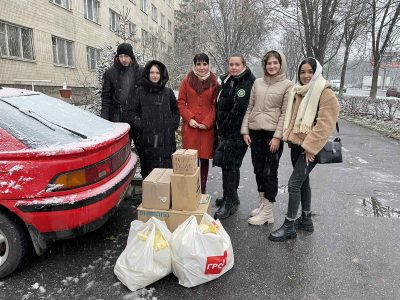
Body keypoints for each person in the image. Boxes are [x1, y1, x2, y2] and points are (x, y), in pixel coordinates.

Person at [269, 57, 340, 241]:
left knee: (293, 184)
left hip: (310, 149)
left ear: (317, 72)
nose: (306, 75)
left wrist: (311, 148)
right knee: (303, 182)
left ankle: (290, 225)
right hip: (297, 145)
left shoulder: (325, 92)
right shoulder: (298, 90)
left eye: (310, 71)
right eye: (303, 72)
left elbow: (325, 124)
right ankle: (306, 220)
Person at [241, 50, 293, 225]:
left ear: (281, 64)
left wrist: (278, 137)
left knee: (270, 172)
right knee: (258, 169)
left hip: (272, 135)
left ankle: (268, 212)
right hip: (255, 133)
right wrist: (245, 131)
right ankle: (262, 205)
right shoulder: (257, 83)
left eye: (275, 63)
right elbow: (250, 107)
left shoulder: (287, 85)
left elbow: (285, 113)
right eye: (269, 63)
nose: (272, 66)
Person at [213, 54, 256, 219]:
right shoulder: (231, 79)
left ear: (243, 65)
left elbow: (238, 110)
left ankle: (228, 202)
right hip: (227, 131)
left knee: (229, 166)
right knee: (230, 166)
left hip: (235, 132)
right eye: (231, 64)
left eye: (237, 64)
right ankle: (232, 197)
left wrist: (222, 127)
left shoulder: (245, 82)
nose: (233, 67)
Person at [130, 60, 180, 179]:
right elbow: (132, 112)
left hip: (166, 140)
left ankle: (165, 197)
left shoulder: (168, 93)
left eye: (157, 72)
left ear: (161, 74)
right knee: (150, 174)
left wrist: (172, 124)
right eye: (152, 72)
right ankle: (151, 196)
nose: (154, 75)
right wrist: (141, 125)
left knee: (166, 173)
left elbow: (176, 110)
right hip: (147, 141)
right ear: (147, 74)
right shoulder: (139, 92)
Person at [177, 53, 219, 194]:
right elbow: (181, 103)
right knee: (190, 160)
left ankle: (202, 189)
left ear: (208, 65)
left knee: (204, 160)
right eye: (198, 64)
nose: (201, 67)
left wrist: (207, 123)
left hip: (207, 129)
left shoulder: (214, 82)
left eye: (204, 64)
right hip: (191, 128)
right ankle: (190, 191)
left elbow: (215, 106)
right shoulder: (186, 81)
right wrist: (191, 119)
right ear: (194, 65)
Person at [101, 43, 143, 125]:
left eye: (126, 56)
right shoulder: (110, 73)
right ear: (117, 57)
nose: (123, 59)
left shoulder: (140, 72)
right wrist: (104, 120)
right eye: (121, 56)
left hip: (136, 118)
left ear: (131, 56)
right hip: (117, 118)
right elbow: (106, 98)